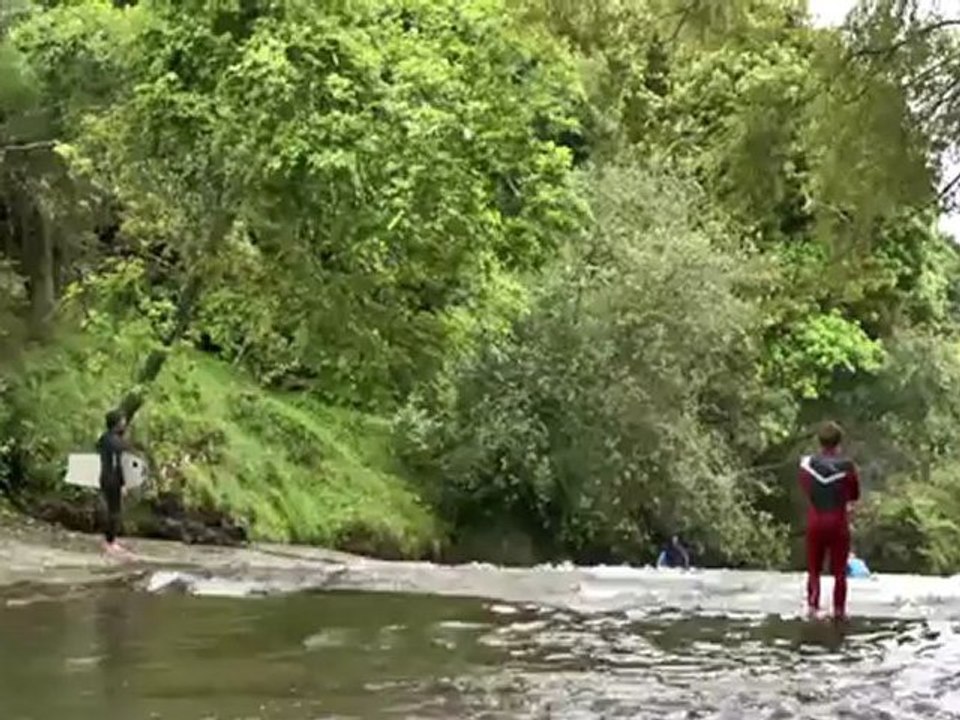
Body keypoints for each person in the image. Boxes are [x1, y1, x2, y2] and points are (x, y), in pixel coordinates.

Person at [799, 421, 860, 621]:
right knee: (840, 572)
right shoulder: (847, 466)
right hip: (838, 523)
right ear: (839, 442)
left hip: (815, 521)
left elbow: (806, 487)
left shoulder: (807, 464)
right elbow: (854, 495)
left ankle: (812, 609)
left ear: (819, 441)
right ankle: (839, 612)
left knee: (814, 570)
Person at [96, 409, 135, 555]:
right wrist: (123, 483)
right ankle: (110, 543)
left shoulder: (104, 439)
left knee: (111, 509)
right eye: (122, 421)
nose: (124, 423)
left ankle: (111, 539)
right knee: (115, 511)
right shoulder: (117, 443)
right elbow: (119, 464)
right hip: (114, 479)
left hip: (104, 476)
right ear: (117, 423)